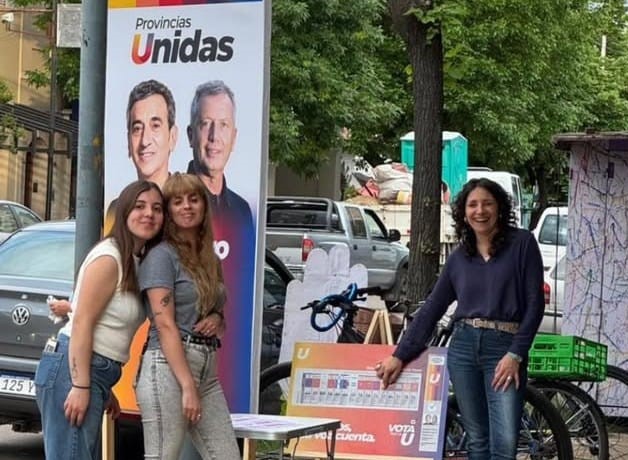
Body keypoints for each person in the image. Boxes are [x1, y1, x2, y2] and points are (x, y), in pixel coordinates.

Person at [376, 178, 544, 460]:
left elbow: (535, 305)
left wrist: (516, 353)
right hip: (463, 349)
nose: (480, 211)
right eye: (472, 205)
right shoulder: (459, 258)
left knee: (505, 442)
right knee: (477, 439)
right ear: (463, 213)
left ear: (500, 208)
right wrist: (399, 355)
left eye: (487, 203)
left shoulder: (522, 244)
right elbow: (432, 309)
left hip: (504, 348)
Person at [35, 180, 164, 460]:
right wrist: (81, 385)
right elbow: (82, 322)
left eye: (157, 208)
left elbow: (106, 324)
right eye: (140, 206)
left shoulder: (134, 259)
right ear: (125, 211)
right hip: (73, 371)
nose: (149, 214)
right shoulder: (110, 256)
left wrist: (102, 388)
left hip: (93, 373)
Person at [136, 173, 240, 460]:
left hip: (207, 368)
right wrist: (187, 385)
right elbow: (165, 324)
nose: (186, 207)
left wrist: (217, 318)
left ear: (204, 205)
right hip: (168, 367)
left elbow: (212, 309)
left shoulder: (209, 256)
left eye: (193, 199)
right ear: (168, 210)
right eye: (177, 201)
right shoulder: (161, 256)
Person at [186, 80, 256, 412]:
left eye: (223, 125)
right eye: (206, 124)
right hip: (181, 361)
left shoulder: (242, 212)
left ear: (234, 137)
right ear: (190, 134)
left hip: (228, 375)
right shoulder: (171, 203)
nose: (214, 137)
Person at [105, 79, 179, 234]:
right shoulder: (117, 210)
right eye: (137, 129)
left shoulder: (187, 209)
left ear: (172, 137)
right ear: (128, 141)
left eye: (155, 126)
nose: (145, 141)